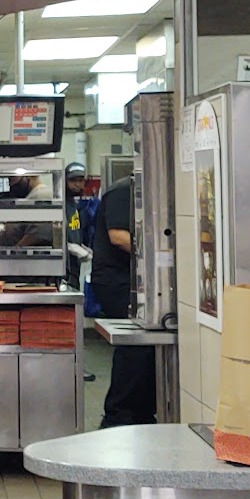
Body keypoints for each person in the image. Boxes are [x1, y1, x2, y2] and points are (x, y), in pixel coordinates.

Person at [90, 180, 154, 427]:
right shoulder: (123, 191)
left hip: (135, 280)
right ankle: (118, 415)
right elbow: (118, 236)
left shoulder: (146, 192)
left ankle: (142, 412)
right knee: (135, 345)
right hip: (115, 280)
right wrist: (158, 250)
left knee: (147, 346)